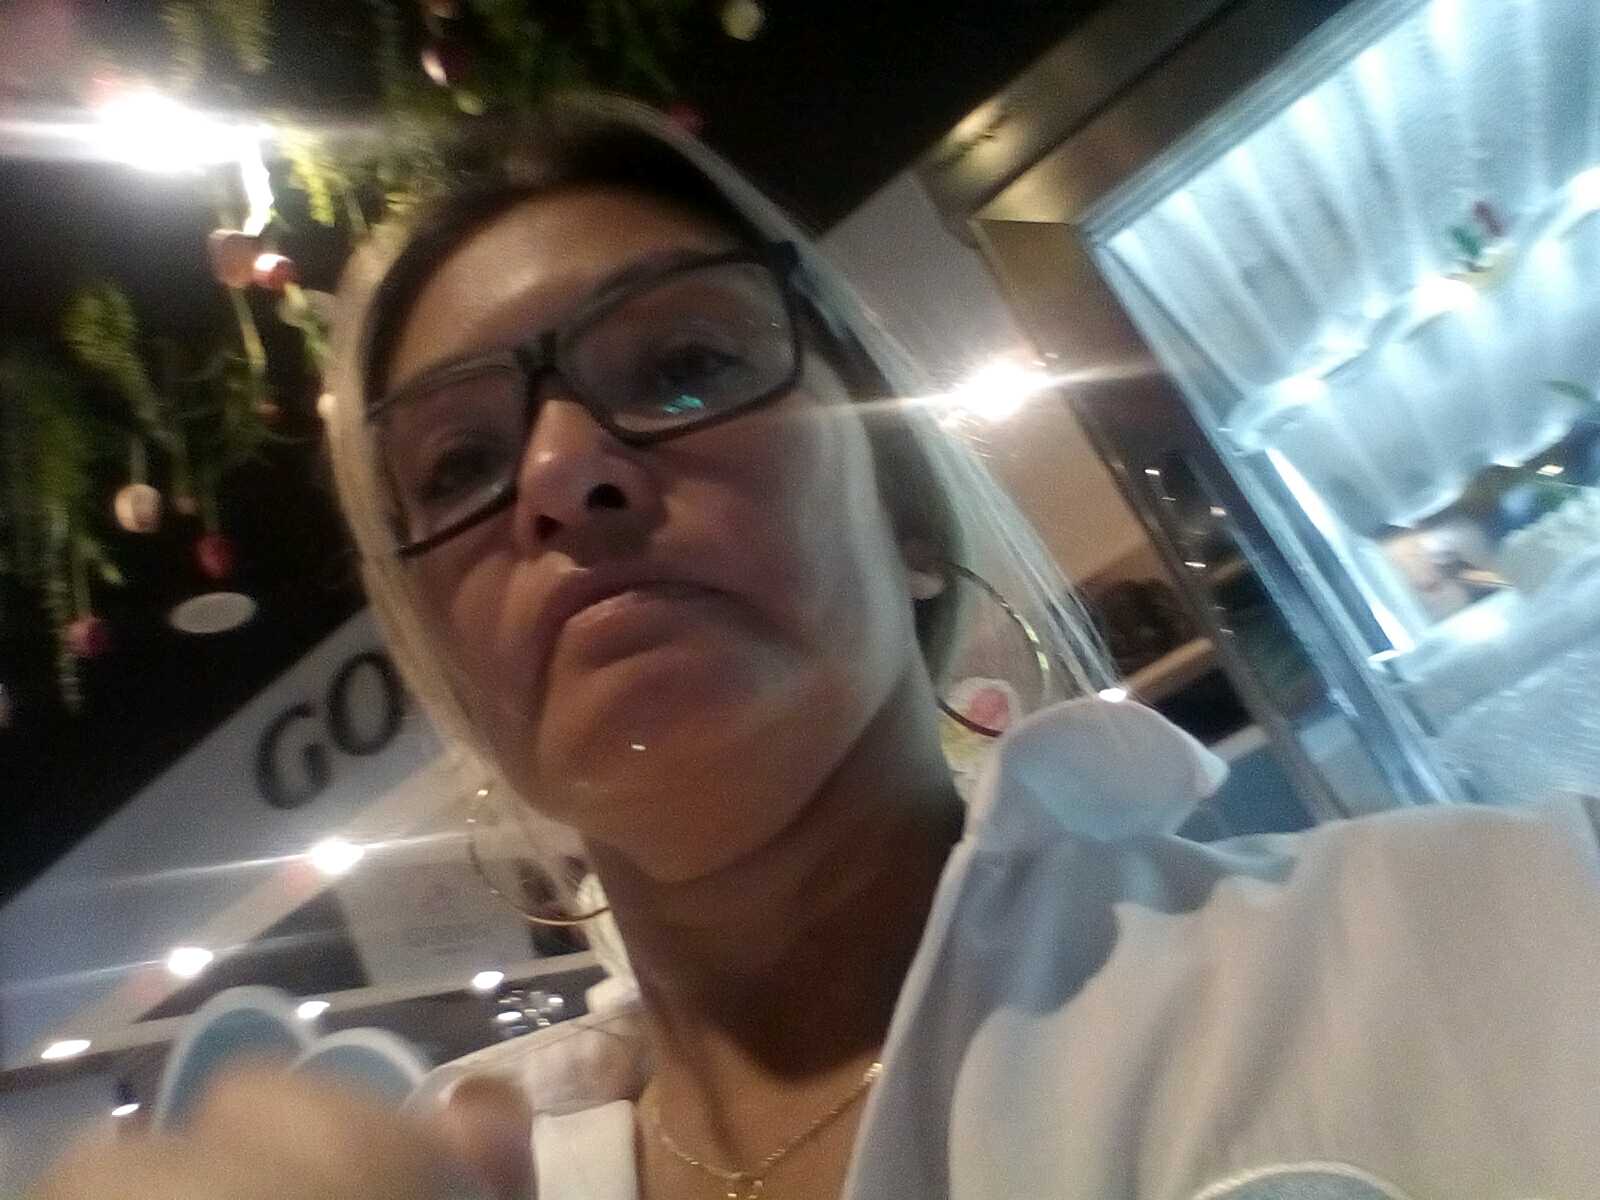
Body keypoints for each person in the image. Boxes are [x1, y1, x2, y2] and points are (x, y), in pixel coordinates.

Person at [33, 95, 1600, 1200]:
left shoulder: (1498, 934)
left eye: (685, 363)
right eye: (455, 467)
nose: (565, 469)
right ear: (456, 671)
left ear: (904, 511)